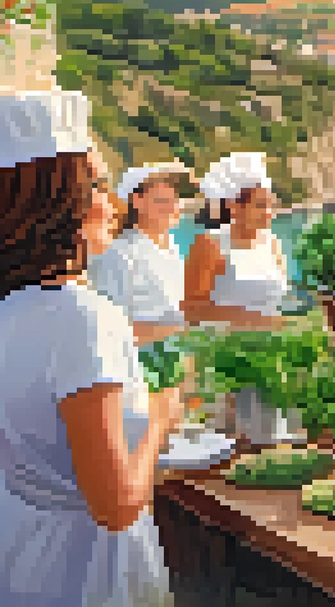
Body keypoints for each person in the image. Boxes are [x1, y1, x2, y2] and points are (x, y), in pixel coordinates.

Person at [0, 89, 184, 606]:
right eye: (98, 185)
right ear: (62, 202)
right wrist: (161, 416)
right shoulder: (82, 317)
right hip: (88, 574)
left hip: (25, 558)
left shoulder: (11, 306)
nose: (112, 203)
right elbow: (117, 506)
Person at [90, 162, 194, 345]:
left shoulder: (172, 246)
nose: (174, 207)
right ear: (137, 201)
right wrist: (184, 332)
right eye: (162, 201)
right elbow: (110, 327)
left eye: (176, 199)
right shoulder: (118, 254)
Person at [183, 152, 290, 330]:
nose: (268, 213)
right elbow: (192, 311)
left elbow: (280, 301)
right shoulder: (210, 245)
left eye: (271, 205)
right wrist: (258, 320)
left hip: (271, 340)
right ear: (234, 206)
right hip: (224, 342)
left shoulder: (272, 244)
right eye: (260, 205)